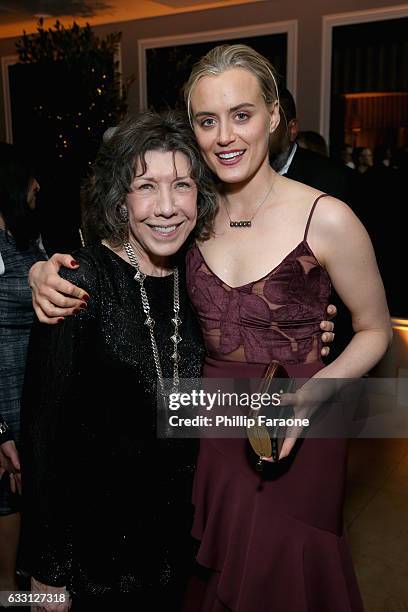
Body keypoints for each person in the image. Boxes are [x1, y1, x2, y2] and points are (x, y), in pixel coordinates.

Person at [27, 46, 379, 612]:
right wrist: (43, 271)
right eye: (206, 120)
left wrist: (317, 384)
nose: (225, 135)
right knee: (213, 574)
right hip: (208, 428)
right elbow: (133, 254)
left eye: (241, 114)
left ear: (274, 116)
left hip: (299, 423)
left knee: (284, 575)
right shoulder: (196, 215)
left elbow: (375, 330)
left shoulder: (329, 216)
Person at [20, 111, 213, 611]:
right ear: (120, 201)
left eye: (182, 185)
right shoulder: (79, 283)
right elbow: (43, 435)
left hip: (176, 543)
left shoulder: (203, 279)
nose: (167, 208)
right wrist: (46, 570)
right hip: (94, 557)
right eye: (146, 186)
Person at [0, 142, 45, 592]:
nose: (38, 186)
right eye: (30, 176)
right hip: (4, 411)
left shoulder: (25, 238)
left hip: (31, 406)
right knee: (7, 576)